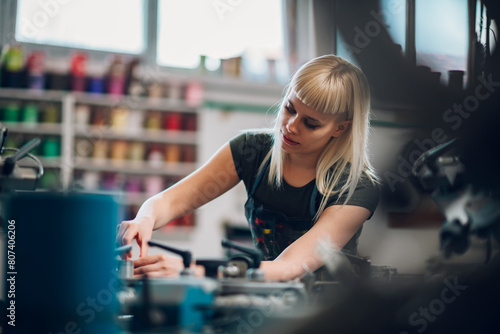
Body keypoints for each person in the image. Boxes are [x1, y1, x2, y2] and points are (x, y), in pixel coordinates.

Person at [117, 54, 380, 281]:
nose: (291, 125)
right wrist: (144, 219)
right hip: (265, 299)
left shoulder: (356, 187)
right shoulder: (250, 151)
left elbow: (289, 267)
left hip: (333, 315)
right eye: (289, 108)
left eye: (311, 123)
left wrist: (190, 270)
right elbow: (171, 201)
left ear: (340, 128)